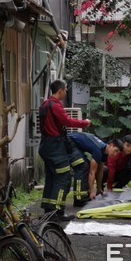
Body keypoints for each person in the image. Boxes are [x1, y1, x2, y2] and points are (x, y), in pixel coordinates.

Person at [39, 79, 91, 221]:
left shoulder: (44, 104)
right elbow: (67, 121)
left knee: (52, 178)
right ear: (60, 90)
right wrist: (84, 123)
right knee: (63, 178)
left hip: (46, 146)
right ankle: (57, 213)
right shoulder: (55, 106)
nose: (66, 92)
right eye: (66, 89)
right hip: (56, 147)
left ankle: (48, 209)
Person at [68, 132, 124, 203]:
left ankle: (85, 195)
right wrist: (92, 191)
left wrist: (99, 188)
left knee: (87, 166)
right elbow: (92, 173)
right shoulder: (98, 150)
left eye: (118, 153)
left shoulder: (104, 153)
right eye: (116, 150)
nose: (115, 154)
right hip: (69, 141)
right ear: (111, 145)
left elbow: (99, 170)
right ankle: (79, 199)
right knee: (83, 167)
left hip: (77, 145)